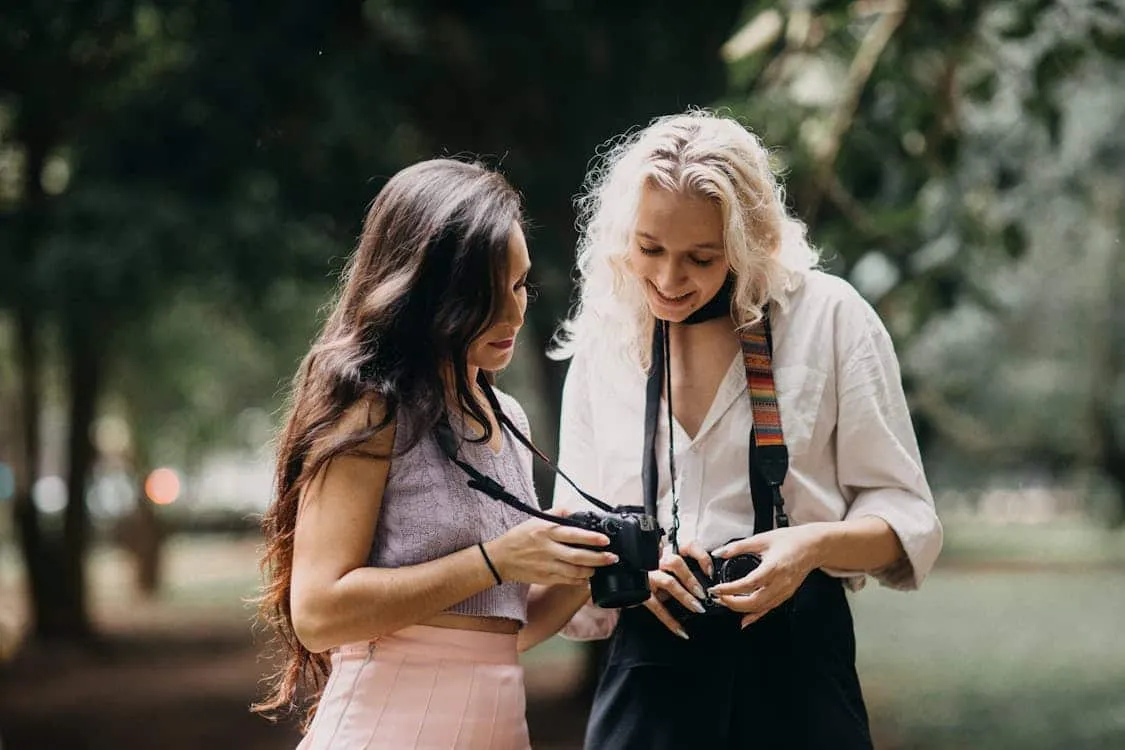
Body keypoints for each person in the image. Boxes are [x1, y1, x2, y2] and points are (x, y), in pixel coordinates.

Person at [550, 110, 944, 749]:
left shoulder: (831, 318)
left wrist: (810, 547)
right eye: (650, 249)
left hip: (799, 679)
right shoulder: (606, 336)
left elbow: (907, 515)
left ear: (748, 241)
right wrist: (633, 567)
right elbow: (573, 523)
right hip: (649, 676)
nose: (669, 281)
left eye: (700, 258)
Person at [253, 158, 617, 750]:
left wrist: (589, 566)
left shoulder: (507, 417)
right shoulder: (372, 410)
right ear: (426, 290)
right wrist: (497, 559)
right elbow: (318, 612)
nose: (514, 313)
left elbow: (502, 629)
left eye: (522, 285)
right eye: (486, 294)